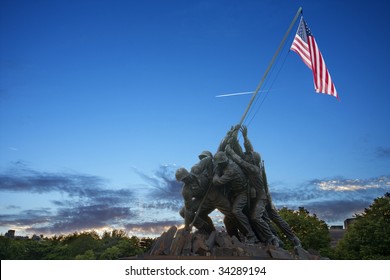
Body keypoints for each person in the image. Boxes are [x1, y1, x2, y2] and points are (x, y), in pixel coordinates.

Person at [226, 144, 279, 246]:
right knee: (252, 218)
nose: (246, 156)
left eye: (248, 157)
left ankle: (271, 238)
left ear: (253, 160)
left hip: (261, 197)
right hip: (254, 197)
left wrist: (231, 152)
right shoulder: (249, 167)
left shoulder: (253, 168)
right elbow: (245, 152)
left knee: (256, 217)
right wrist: (244, 138)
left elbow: (241, 161)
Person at [212, 151, 257, 243]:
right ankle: (234, 239)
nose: (218, 166)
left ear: (223, 162)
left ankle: (251, 235)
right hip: (235, 194)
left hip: (242, 193)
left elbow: (218, 182)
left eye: (219, 164)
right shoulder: (227, 164)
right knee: (228, 219)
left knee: (236, 211)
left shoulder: (231, 170)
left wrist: (216, 173)